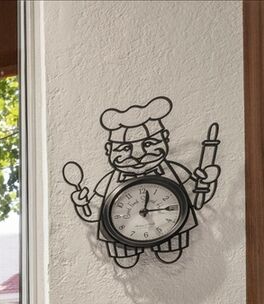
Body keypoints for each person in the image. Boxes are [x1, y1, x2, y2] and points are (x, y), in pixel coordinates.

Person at [69, 96, 220, 267]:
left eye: (149, 144)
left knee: (170, 253)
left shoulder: (174, 171)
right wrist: (82, 204)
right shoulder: (109, 182)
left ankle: (168, 245)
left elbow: (196, 197)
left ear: (165, 139)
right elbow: (93, 211)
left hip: (168, 227)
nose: (138, 154)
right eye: (126, 148)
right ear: (109, 150)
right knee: (124, 258)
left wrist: (205, 182)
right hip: (122, 229)